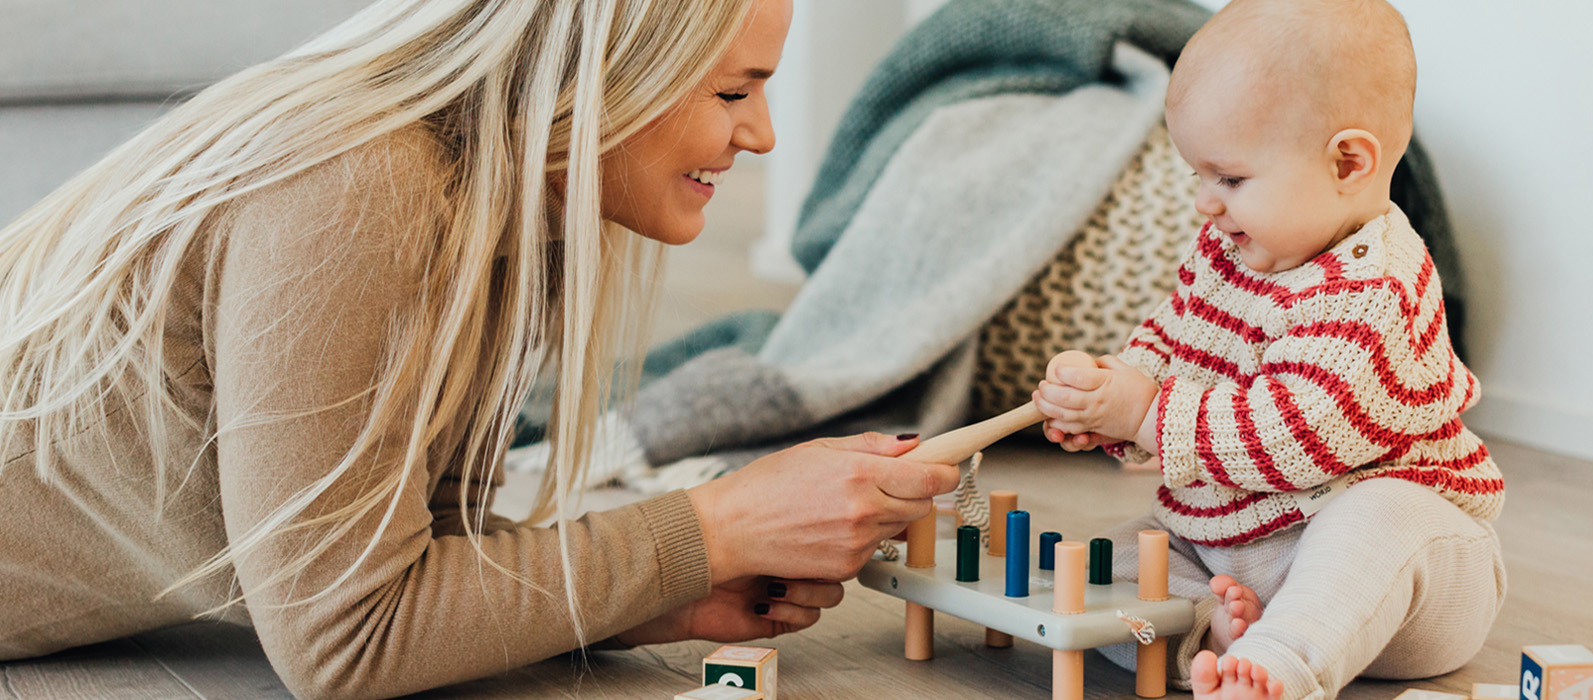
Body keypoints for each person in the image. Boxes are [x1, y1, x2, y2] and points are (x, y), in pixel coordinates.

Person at [0, 1, 959, 698]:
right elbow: (348, 638)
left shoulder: (512, 225)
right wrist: (713, 528)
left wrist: (659, 596)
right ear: (601, 76)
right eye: (733, 89)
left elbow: (421, 555)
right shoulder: (354, 182)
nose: (761, 132)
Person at [1030, 1, 1506, 698]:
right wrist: (1111, 390)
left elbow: (1292, 435)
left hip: (1403, 571)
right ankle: (1211, 636)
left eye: (1229, 178)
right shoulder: (1232, 249)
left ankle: (1283, 665)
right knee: (1104, 572)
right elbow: (1173, 335)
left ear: (1348, 162)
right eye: (1197, 175)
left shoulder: (1375, 288)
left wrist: (1145, 415)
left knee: (1377, 520)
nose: (1204, 204)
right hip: (1235, 540)